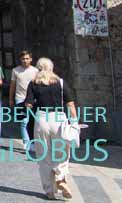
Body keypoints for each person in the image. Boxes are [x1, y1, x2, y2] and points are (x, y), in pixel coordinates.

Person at [25, 58, 77, 201]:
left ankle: (50, 191)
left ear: (38, 69)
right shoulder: (60, 83)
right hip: (59, 119)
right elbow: (70, 104)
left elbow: (28, 106)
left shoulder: (33, 83)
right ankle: (60, 178)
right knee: (62, 153)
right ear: (51, 68)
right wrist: (75, 122)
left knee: (43, 156)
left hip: (41, 119)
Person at [9, 50, 39, 155]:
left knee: (32, 122)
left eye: (27, 58)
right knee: (23, 122)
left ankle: (33, 143)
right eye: (23, 59)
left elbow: (38, 85)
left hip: (32, 100)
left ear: (31, 59)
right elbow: (13, 86)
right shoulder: (15, 71)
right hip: (20, 98)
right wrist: (11, 99)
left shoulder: (35, 71)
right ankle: (27, 144)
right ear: (20, 59)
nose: (25, 61)